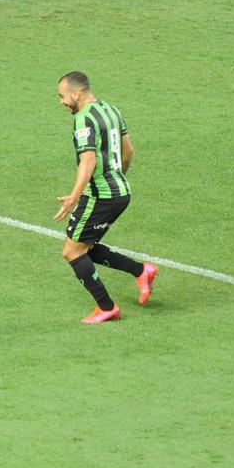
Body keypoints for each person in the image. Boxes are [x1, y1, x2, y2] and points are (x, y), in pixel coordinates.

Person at [53, 71, 158, 323]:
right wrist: (117, 177)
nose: (61, 102)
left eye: (62, 96)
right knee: (85, 247)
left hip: (99, 197)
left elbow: (87, 162)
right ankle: (142, 271)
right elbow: (129, 150)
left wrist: (73, 198)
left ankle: (107, 307)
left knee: (72, 252)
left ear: (76, 93)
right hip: (121, 192)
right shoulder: (112, 110)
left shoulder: (83, 119)